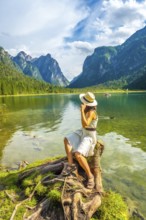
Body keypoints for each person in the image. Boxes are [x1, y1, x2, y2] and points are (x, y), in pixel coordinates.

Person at [64, 92, 98, 189]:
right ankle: (71, 166)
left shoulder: (91, 112)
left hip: (89, 136)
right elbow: (83, 126)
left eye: (83, 103)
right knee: (67, 139)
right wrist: (82, 111)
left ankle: (90, 176)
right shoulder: (87, 110)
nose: (81, 104)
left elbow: (85, 124)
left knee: (78, 155)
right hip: (83, 132)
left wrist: (82, 111)